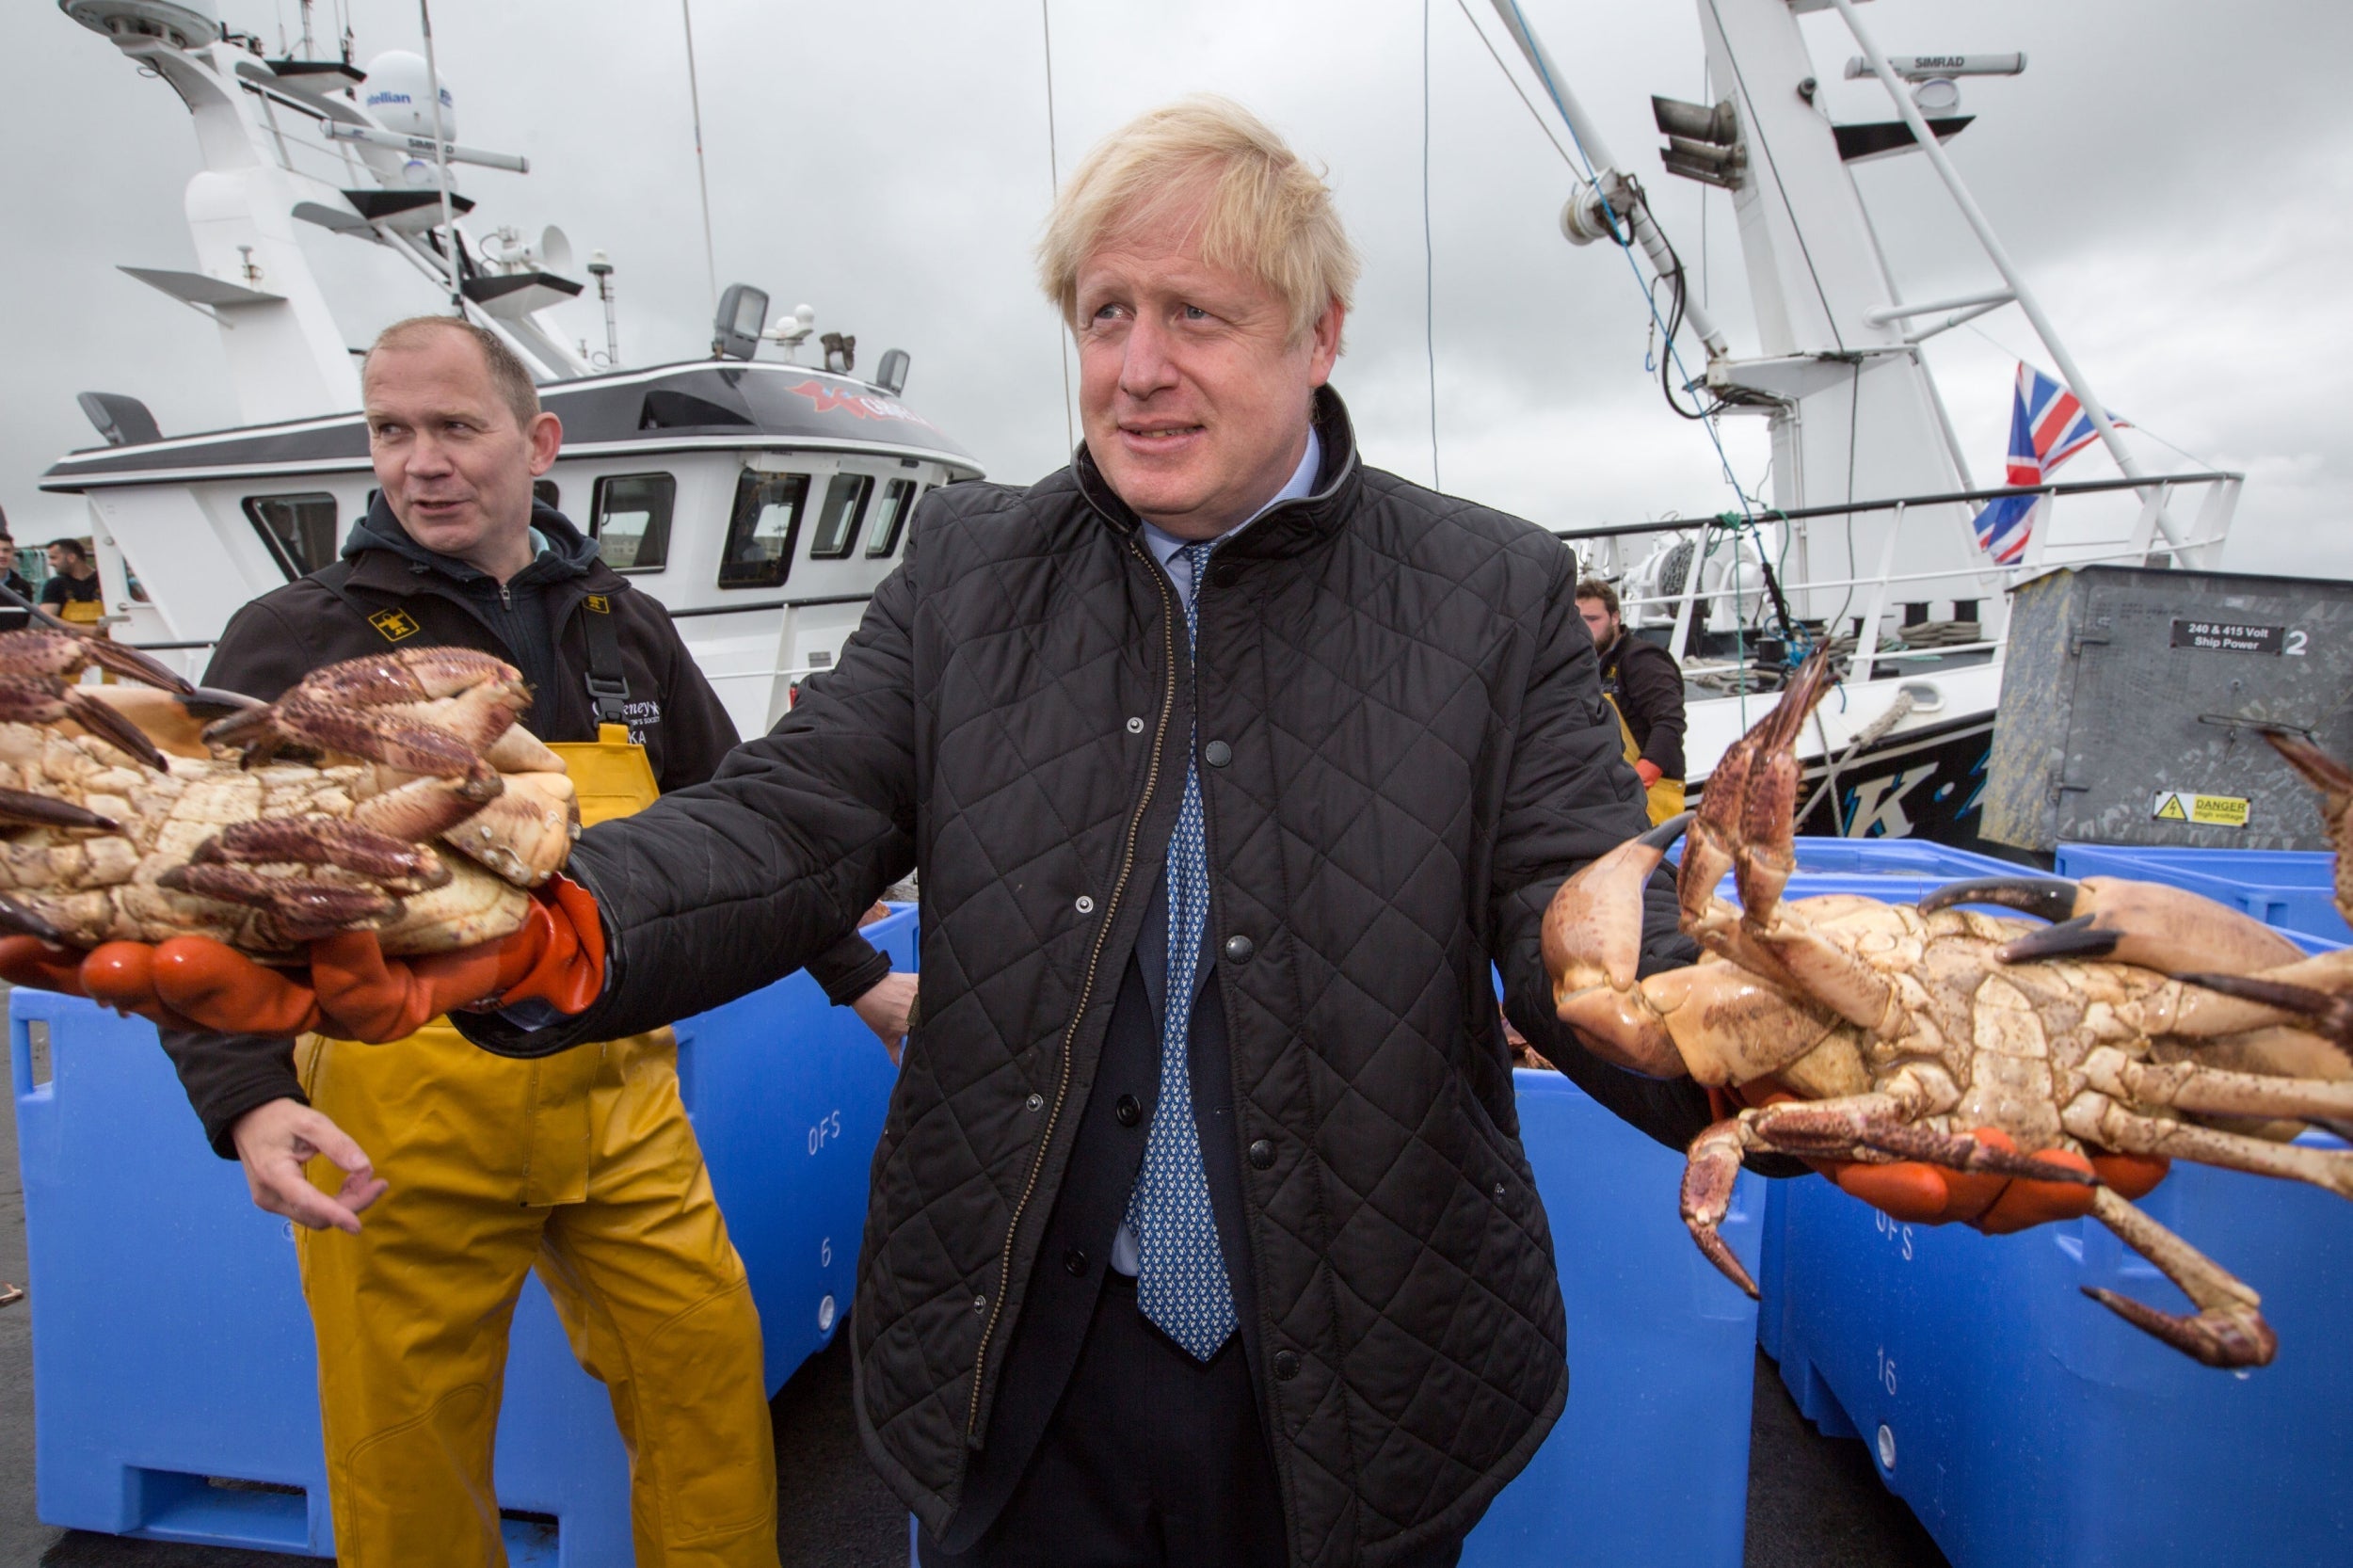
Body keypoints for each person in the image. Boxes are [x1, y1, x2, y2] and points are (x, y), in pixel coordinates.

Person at [2, 103, 2099, 1568]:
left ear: (1315, 336)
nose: (1137, 364)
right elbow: (790, 823)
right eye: (1103, 311)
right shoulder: (966, 565)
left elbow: (1592, 912)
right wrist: (544, 929)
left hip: (1367, 1344)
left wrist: (1820, 1074)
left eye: (1195, 315)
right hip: (1016, 1334)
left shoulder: (1484, 590)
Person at [148, 315, 915, 1568]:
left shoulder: (622, 627)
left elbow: (758, 838)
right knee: (409, 1454)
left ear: (539, 443)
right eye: (392, 432)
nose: (421, 462)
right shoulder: (292, 639)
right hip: (395, 1132)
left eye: (456, 426)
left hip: (622, 1109)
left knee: (709, 1384)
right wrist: (243, 1101)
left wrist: (865, 984)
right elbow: (195, 891)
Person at [1577, 576, 1688, 826]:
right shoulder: (1589, 667)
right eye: (1577, 620)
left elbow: (1669, 724)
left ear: (1615, 617)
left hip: (1652, 799)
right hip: (1611, 801)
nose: (1584, 628)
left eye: (1593, 620)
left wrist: (1635, 786)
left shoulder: (1641, 660)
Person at [40, 536, 103, 621]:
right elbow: (45, 618)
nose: (50, 563)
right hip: (69, 635)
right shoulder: (55, 584)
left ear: (71, 558)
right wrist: (89, 631)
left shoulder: (104, 581)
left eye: (54, 558)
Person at [0, 527, 34, 632]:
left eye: (6, 550)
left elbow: (25, 620)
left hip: (15, 644)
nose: (2, 555)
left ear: (13, 552)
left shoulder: (23, 586)